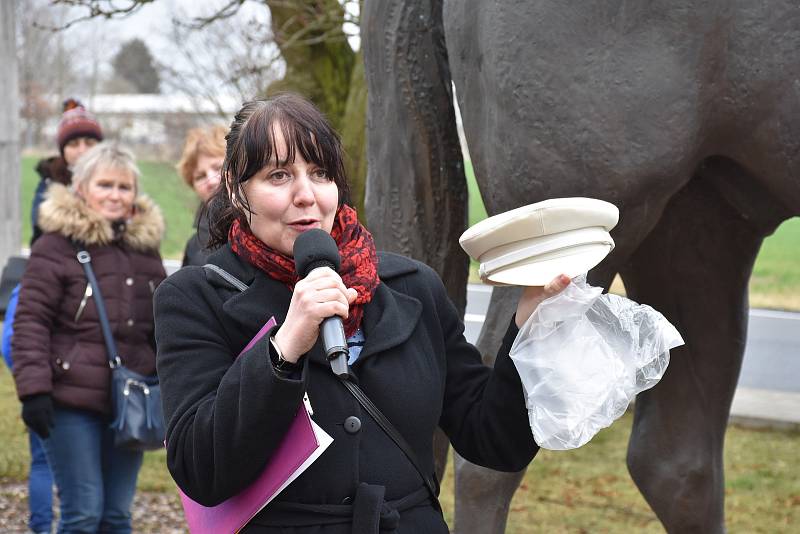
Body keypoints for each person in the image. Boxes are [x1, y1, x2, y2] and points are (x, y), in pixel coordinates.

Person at [153, 93, 569, 533]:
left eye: (319, 173)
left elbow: (495, 441)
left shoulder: (413, 287)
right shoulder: (195, 297)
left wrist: (529, 328)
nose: (306, 195)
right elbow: (201, 470)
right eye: (278, 175)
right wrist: (284, 347)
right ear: (237, 189)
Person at [11, 142, 166, 533]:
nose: (115, 195)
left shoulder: (145, 252)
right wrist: (33, 392)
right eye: (105, 185)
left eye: (124, 187)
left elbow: (161, 327)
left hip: (129, 401)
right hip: (68, 400)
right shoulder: (55, 247)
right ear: (81, 188)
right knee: (84, 514)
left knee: (117, 516)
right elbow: (30, 323)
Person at [32, 98, 104, 245]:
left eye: (89, 143)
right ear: (62, 150)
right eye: (73, 144)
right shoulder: (49, 182)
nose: (82, 150)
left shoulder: (117, 179)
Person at [175, 125, 226, 266]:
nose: (211, 181)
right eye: (200, 176)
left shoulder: (268, 230)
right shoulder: (194, 247)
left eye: (218, 168)